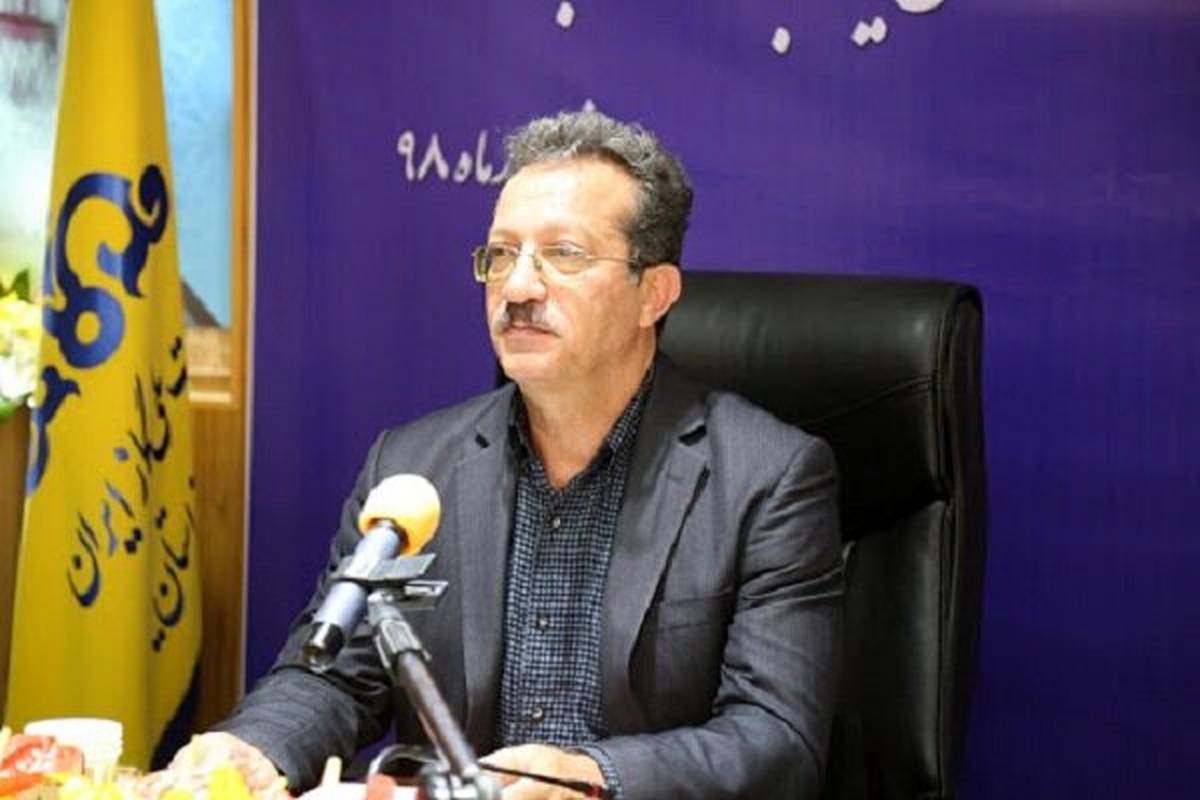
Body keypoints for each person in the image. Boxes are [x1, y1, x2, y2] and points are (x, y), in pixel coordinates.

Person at [180, 110, 843, 799]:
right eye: (500, 255)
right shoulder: (411, 469)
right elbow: (333, 676)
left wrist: (592, 776)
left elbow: (776, 739)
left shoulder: (766, 479)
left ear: (654, 293)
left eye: (564, 254)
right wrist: (253, 749)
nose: (518, 288)